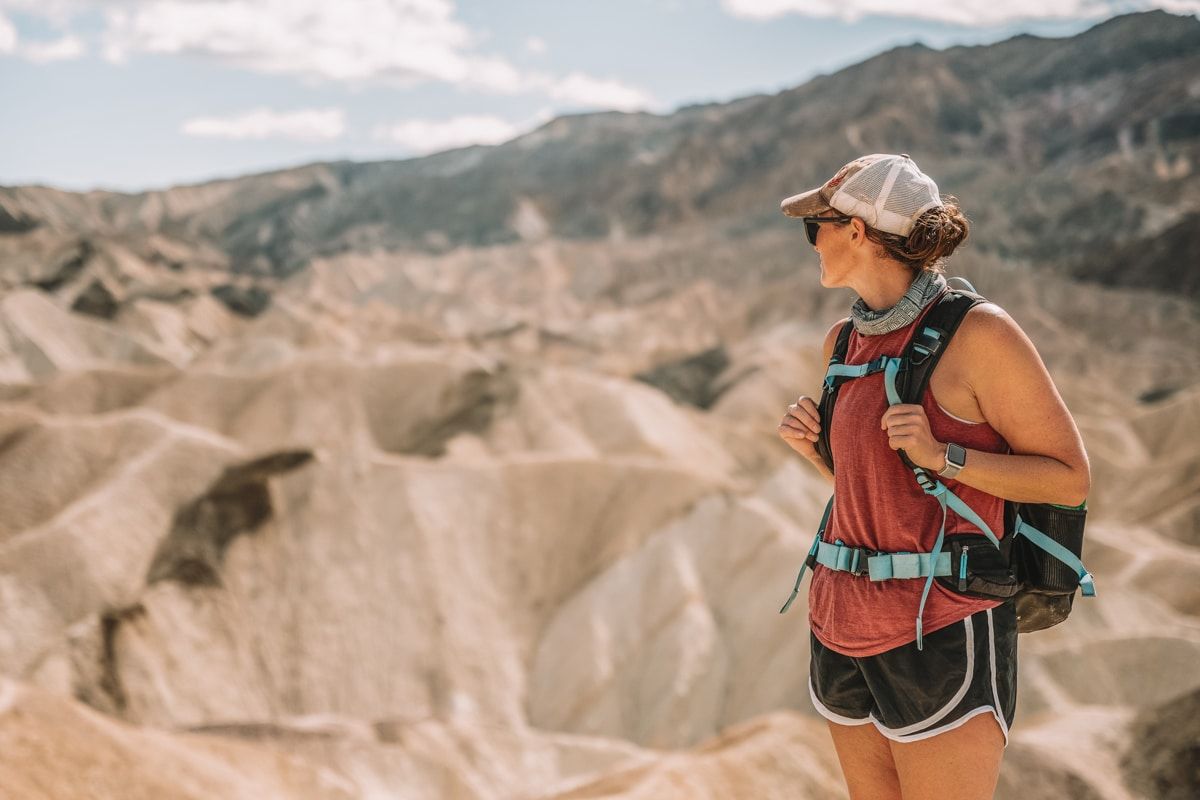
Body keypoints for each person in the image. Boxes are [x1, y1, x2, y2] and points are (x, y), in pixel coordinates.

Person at [775, 153, 1091, 800]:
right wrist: (815, 451)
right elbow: (882, 490)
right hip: (841, 626)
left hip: (943, 628)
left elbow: (1068, 479)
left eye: (816, 228)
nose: (812, 243)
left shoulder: (979, 335)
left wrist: (945, 455)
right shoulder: (843, 342)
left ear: (856, 231)